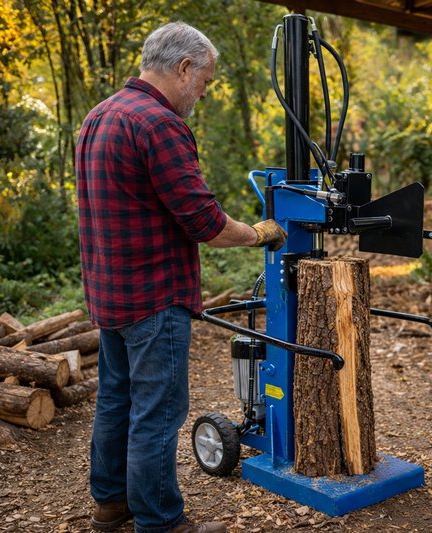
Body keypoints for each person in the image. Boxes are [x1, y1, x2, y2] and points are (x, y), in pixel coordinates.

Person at [75, 21, 287, 533]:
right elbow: (206, 225)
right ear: (184, 66)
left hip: (109, 292)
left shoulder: (98, 116)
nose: (205, 92)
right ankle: (161, 522)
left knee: (116, 400)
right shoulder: (159, 123)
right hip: (153, 297)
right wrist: (261, 232)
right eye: (206, 79)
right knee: (158, 412)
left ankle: (111, 503)